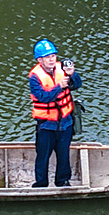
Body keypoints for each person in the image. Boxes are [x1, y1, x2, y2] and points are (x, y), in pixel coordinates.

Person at [27, 38, 82, 189]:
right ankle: (41, 184)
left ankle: (62, 181)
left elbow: (77, 85)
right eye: (47, 57)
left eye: (53, 56)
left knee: (63, 154)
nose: (52, 59)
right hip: (46, 125)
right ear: (40, 60)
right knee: (43, 156)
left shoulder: (62, 68)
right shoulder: (35, 77)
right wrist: (59, 87)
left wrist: (72, 74)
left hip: (65, 122)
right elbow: (43, 97)